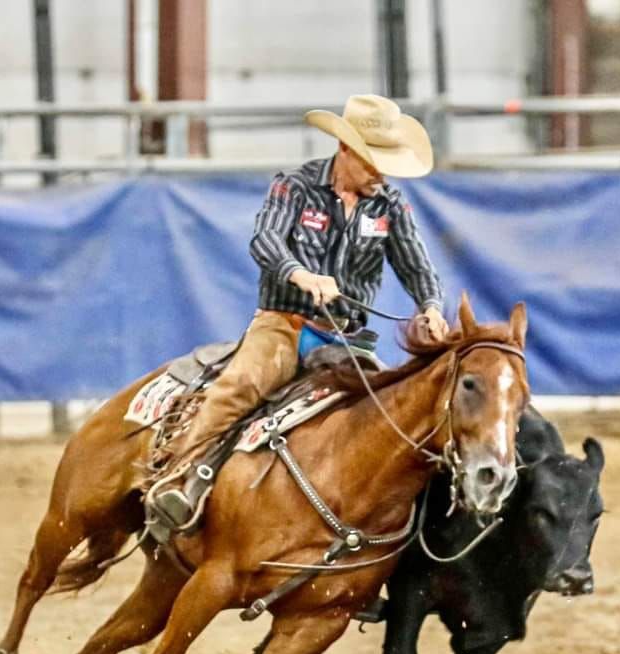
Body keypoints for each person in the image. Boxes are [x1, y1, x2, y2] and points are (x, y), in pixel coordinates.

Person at [149, 94, 450, 531]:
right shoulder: (295, 186)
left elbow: (417, 265)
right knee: (240, 387)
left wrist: (430, 307)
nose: (381, 174)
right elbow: (265, 241)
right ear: (345, 150)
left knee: (388, 414)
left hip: (347, 338)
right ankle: (181, 479)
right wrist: (300, 275)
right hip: (284, 325)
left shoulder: (390, 205)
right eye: (372, 162)